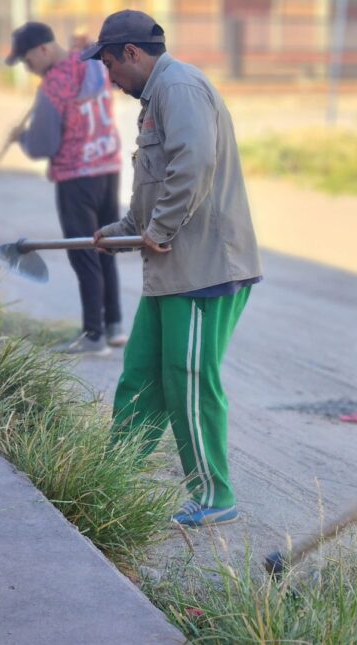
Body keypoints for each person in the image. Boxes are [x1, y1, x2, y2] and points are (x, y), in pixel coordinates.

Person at [83, 11, 262, 527]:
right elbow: (156, 187)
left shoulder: (178, 87)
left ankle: (214, 496)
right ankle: (110, 476)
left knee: (187, 381)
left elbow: (194, 164)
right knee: (142, 374)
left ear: (133, 54)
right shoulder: (154, 99)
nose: (109, 77)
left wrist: (156, 232)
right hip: (173, 271)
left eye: (111, 63)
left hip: (205, 268)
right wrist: (123, 231)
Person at [6, 22, 126, 354]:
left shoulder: (52, 88)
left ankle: (92, 336)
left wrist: (22, 138)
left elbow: (44, 145)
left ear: (43, 49)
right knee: (105, 246)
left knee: (84, 252)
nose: (29, 70)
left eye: (28, 62)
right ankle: (113, 325)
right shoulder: (92, 64)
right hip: (107, 167)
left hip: (75, 177)